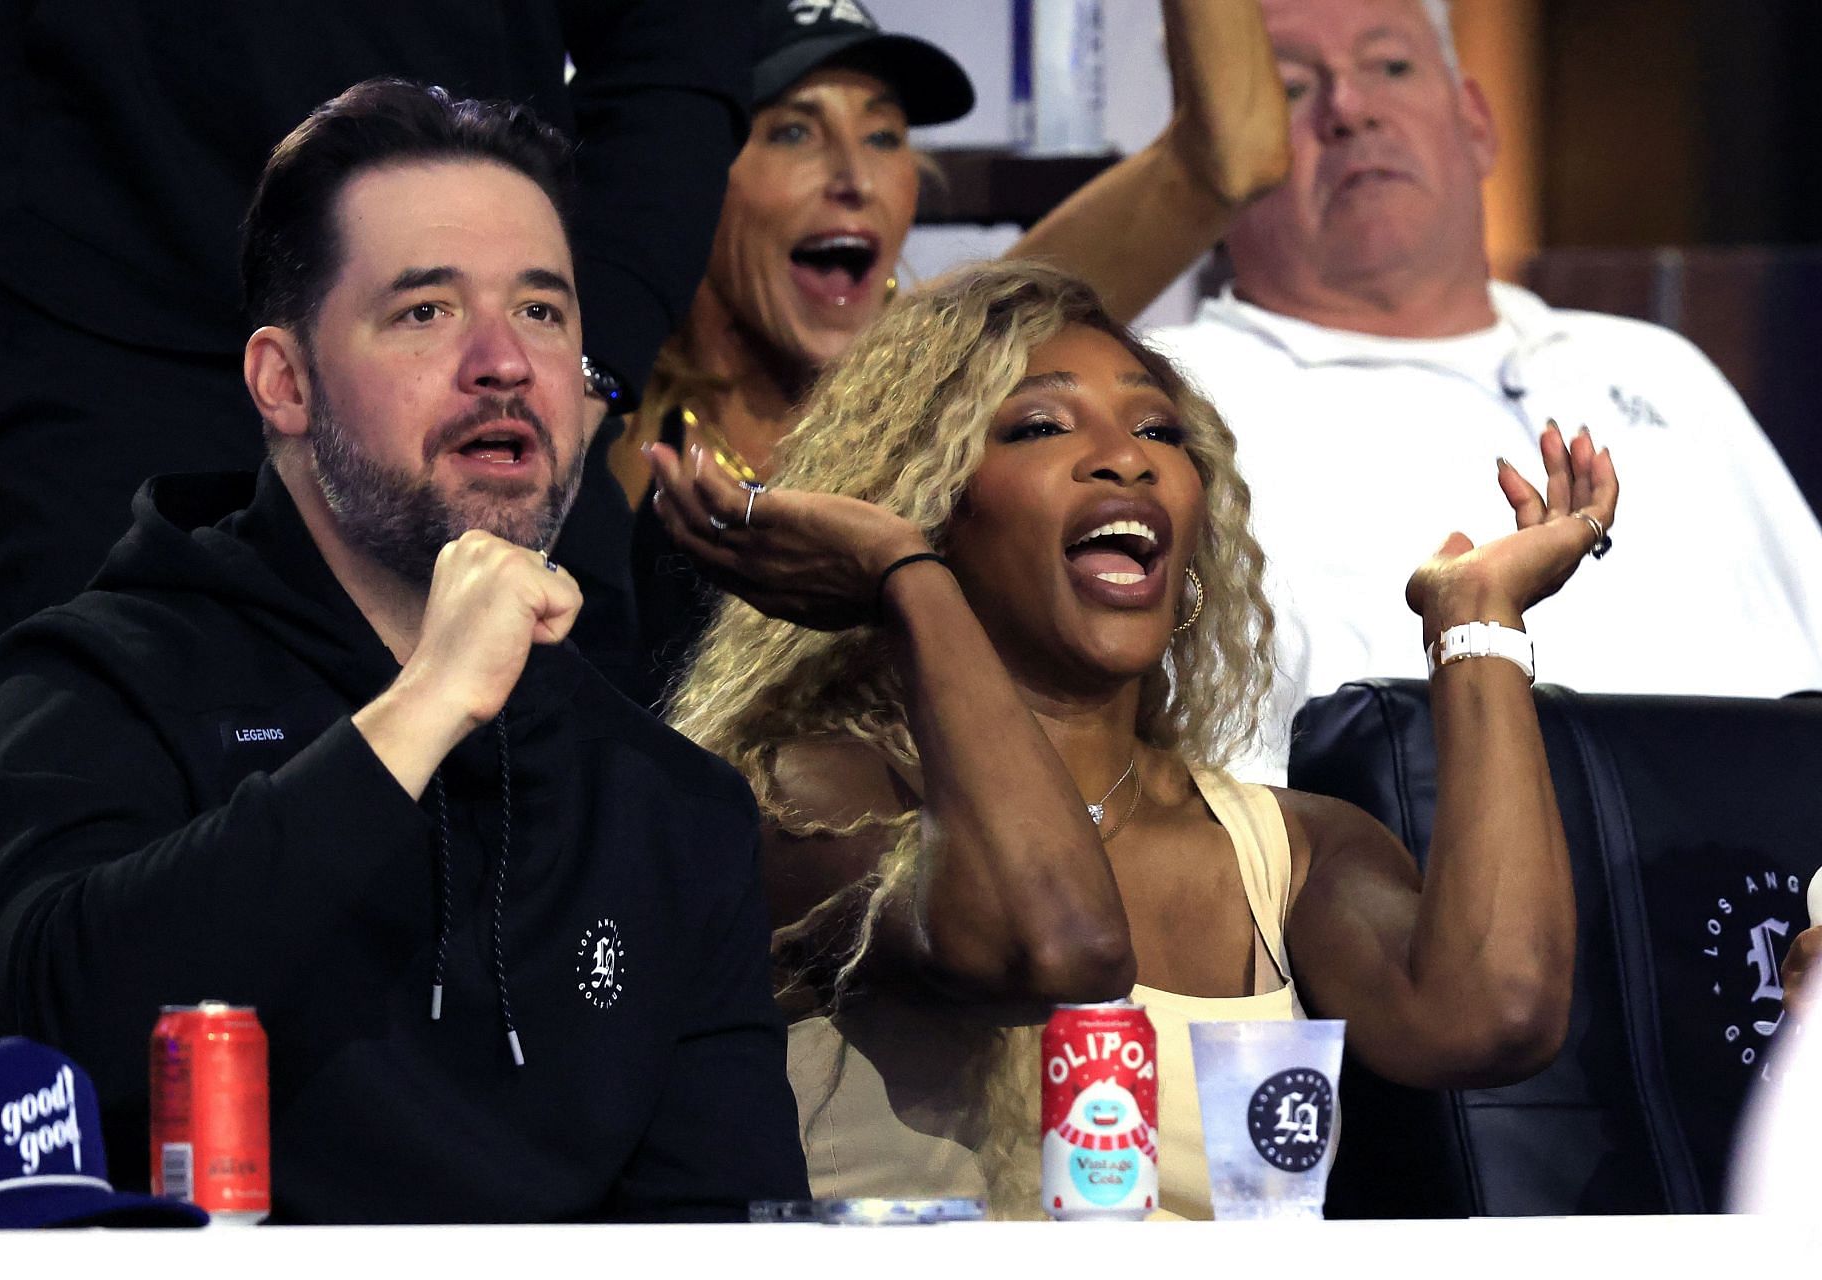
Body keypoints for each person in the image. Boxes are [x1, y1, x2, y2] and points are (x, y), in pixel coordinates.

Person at [0, 80, 806, 1223]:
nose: (504, 362)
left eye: (542, 312)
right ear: (283, 382)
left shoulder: (668, 802)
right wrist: (424, 704)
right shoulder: (86, 690)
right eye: (426, 311)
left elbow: (725, 1225)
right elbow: (72, 1027)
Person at [645, 260, 1613, 1218]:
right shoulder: (807, 798)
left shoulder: (1291, 852)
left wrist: (1475, 619)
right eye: (1039, 426)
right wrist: (909, 579)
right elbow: (1058, 945)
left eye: (1159, 430)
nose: (1128, 458)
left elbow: (1497, 1011)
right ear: (930, 498)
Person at [0, 0, 753, 664]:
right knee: (112, 837)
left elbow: (676, 45)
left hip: (466, 365)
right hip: (106, 327)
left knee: (556, 850)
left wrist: (585, 357)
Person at [1144, 0, 1822, 781]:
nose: (1351, 110)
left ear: (1474, 122)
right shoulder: (1173, 403)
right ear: (1216, 164)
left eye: (1391, 66)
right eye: (1291, 90)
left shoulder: (1657, 366)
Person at [593, 0, 1290, 703]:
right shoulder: (603, 405)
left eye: (884, 135)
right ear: (687, 175)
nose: (855, 179)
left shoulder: (966, 371)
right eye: (794, 131)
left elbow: (1234, 159)